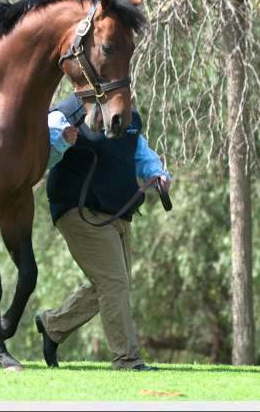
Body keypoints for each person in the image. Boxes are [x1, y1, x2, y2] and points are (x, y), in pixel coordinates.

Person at [32, 92, 172, 371]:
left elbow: (142, 154)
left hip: (118, 214)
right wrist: (61, 141)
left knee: (113, 286)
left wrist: (157, 173)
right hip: (80, 212)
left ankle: (53, 325)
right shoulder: (67, 113)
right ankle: (127, 360)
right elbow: (40, 158)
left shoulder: (130, 120)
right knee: (114, 284)